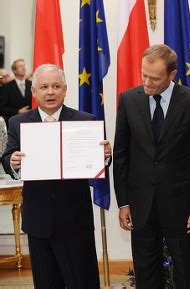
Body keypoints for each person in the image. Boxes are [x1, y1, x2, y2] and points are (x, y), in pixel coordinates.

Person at [1, 64, 112, 289]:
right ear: (34, 92)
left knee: (83, 282)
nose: (50, 92)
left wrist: (105, 156)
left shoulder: (85, 121)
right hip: (38, 221)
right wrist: (12, 161)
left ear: (65, 89)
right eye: (43, 87)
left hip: (75, 222)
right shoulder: (18, 122)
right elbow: (7, 157)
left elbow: (97, 163)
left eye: (55, 86)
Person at [113, 44, 190, 289]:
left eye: (155, 78)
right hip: (141, 203)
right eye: (144, 75)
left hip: (181, 205)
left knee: (185, 270)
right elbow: (121, 153)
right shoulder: (128, 100)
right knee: (146, 272)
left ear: (172, 75)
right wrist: (123, 202)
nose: (147, 82)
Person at [0, 59, 32, 124]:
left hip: (30, 121)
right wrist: (18, 111)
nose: (23, 68)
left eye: (24, 66)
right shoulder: (7, 87)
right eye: (20, 66)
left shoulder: (32, 84)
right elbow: (2, 108)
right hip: (14, 122)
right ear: (14, 70)